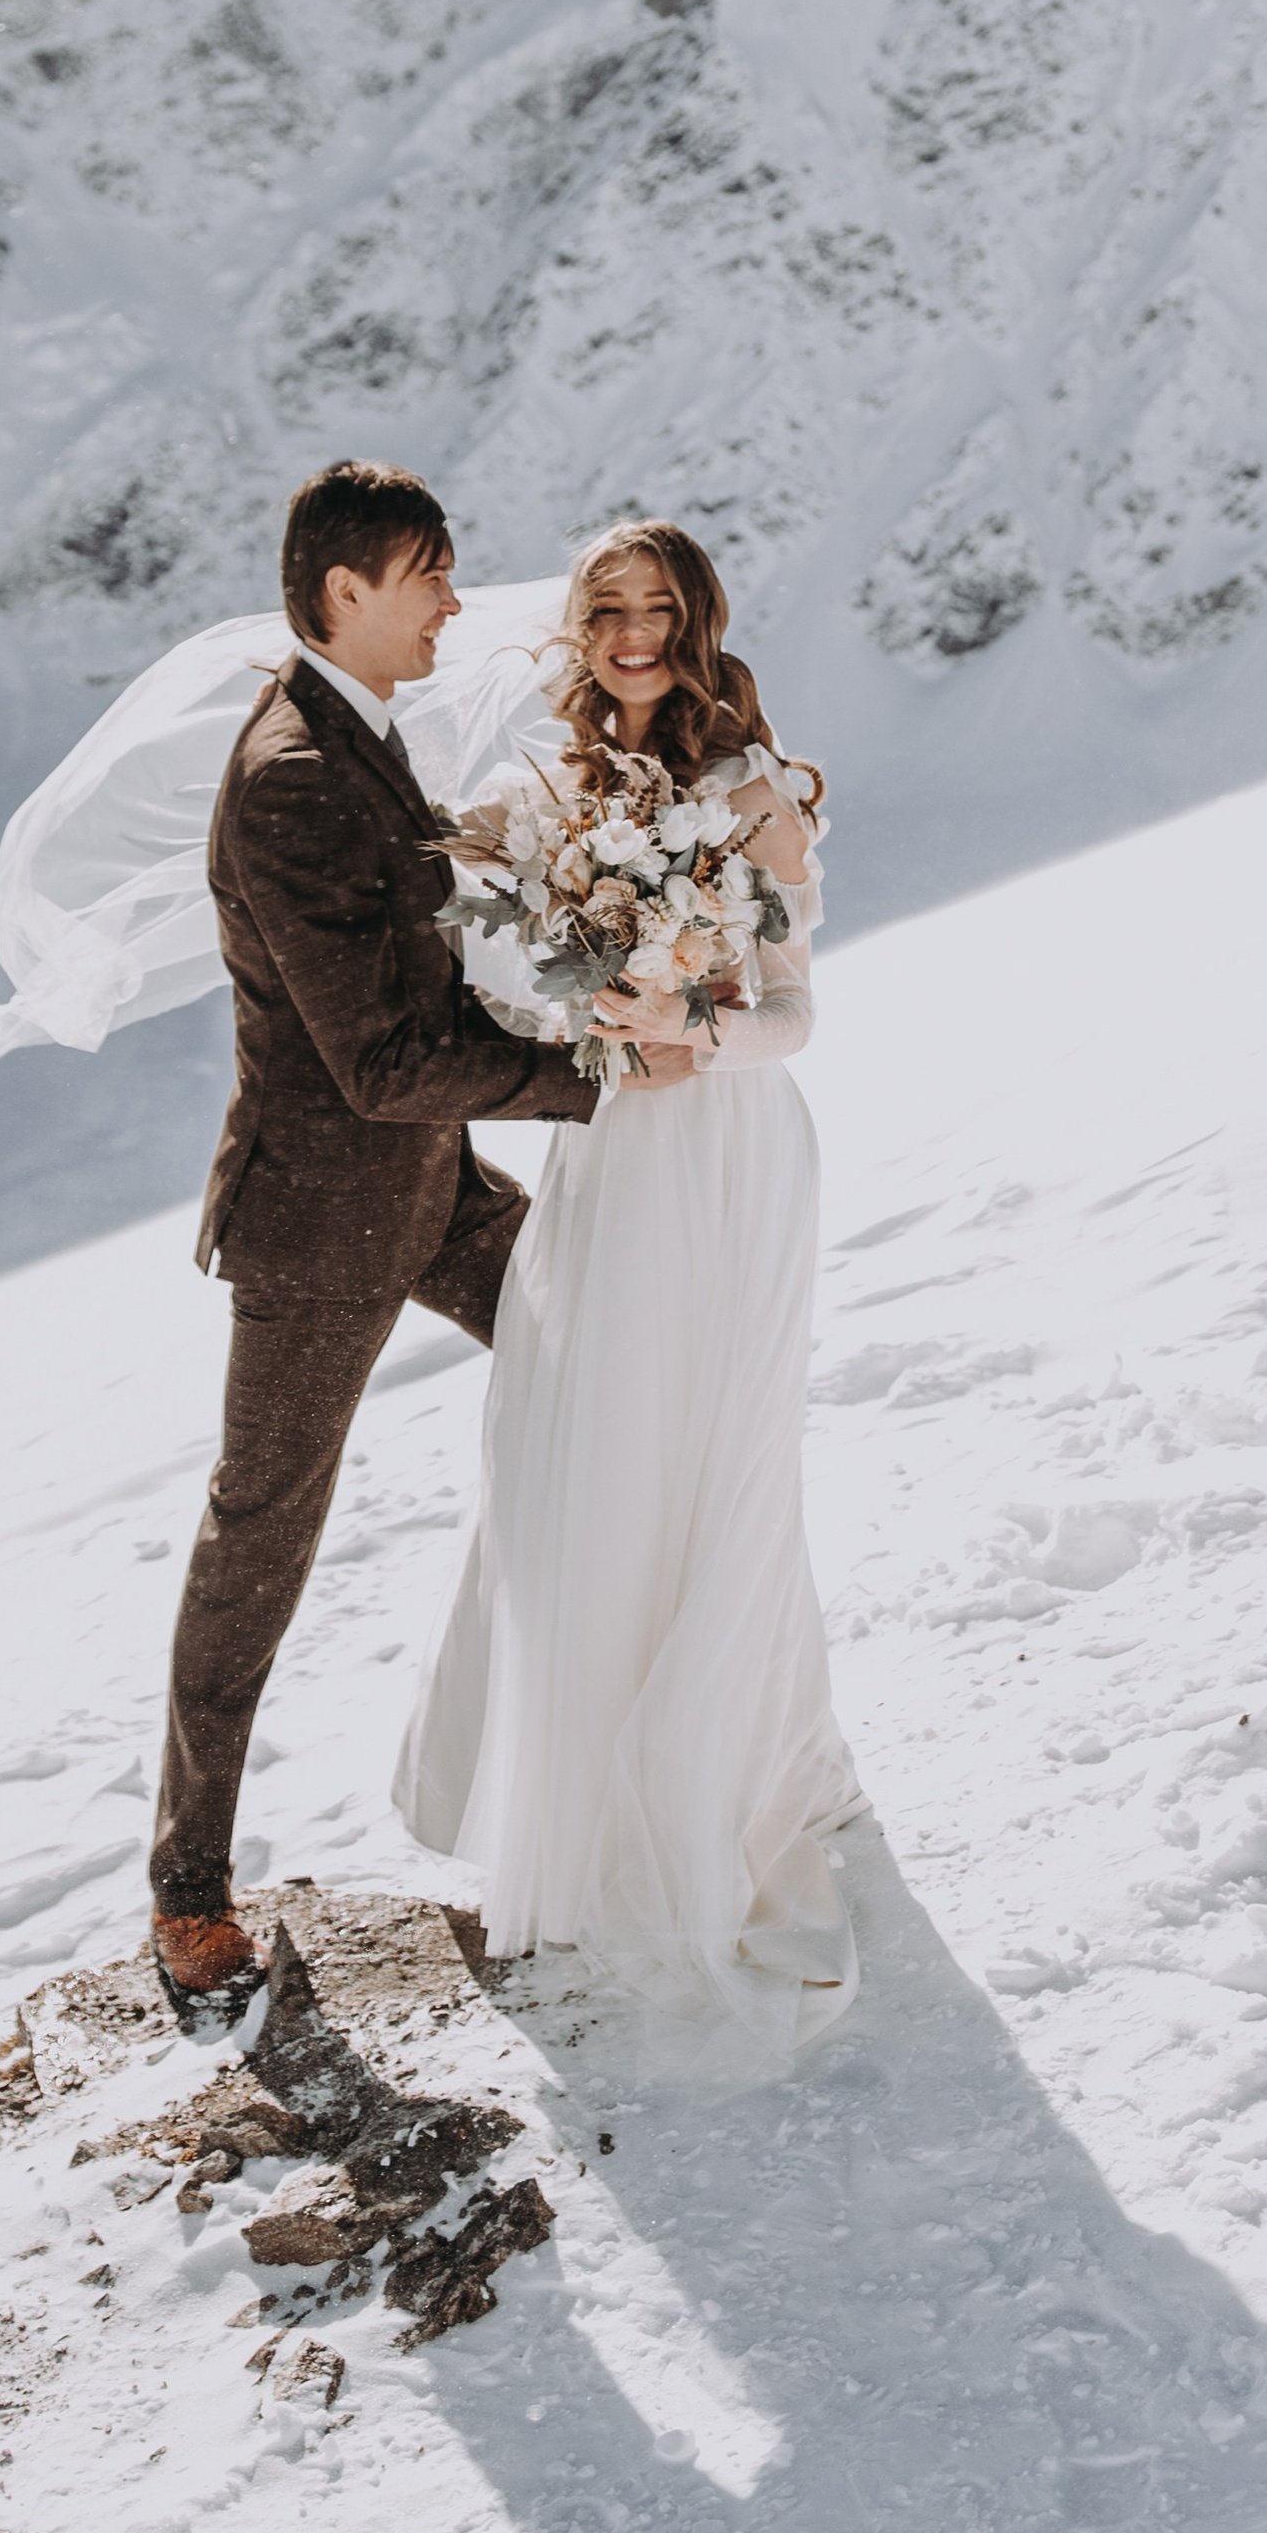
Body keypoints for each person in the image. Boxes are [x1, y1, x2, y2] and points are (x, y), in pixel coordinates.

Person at [146, 462, 697, 2028]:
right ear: (345, 594)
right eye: (431, 576)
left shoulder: (355, 737)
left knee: (618, 1368)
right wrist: (595, 1080)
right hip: (324, 1226)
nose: (458, 601)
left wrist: (577, 1002)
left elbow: (428, 994)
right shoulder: (289, 777)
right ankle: (189, 1890)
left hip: (433, 1188)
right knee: (263, 1531)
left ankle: (644, 1753)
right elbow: (377, 1061)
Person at [394, 518, 864, 2052]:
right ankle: (565, 1794)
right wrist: (589, 1011)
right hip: (605, 1156)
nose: (637, 636)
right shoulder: (538, 795)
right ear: (579, 627)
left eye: (663, 611)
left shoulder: (759, 792)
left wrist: (692, 1036)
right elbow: (510, 972)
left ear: (698, 620)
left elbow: (792, 1014)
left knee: (711, 1452)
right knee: (580, 1442)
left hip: (724, 1150)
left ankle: (722, 1781)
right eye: (612, 611)